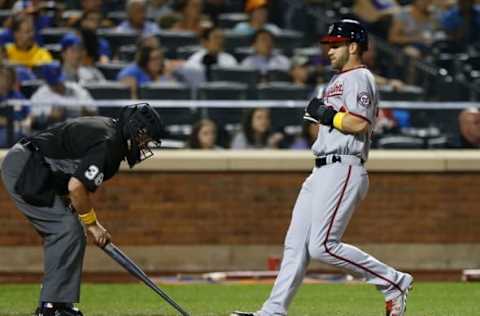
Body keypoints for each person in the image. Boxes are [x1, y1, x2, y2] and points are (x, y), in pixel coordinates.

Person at [231, 20, 413, 316]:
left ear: (353, 47)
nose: (329, 50)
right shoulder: (338, 79)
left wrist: (327, 114)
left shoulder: (359, 76)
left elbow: (359, 123)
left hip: (344, 167)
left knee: (322, 246)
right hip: (322, 169)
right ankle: (273, 311)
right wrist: (325, 116)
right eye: (329, 44)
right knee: (296, 245)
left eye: (336, 44)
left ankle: (393, 281)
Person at [0, 103, 164, 316]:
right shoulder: (110, 143)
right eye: (146, 137)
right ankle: (53, 307)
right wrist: (93, 225)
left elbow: (66, 163)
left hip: (37, 167)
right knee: (67, 230)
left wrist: (78, 210)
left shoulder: (111, 133)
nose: (146, 144)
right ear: (135, 128)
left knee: (69, 230)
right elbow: (76, 187)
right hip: (27, 168)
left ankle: (58, 304)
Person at [30, 62, 96, 131]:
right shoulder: (40, 95)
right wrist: (50, 117)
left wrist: (84, 112)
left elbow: (94, 111)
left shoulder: (76, 89)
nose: (58, 86)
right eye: (54, 84)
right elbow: (33, 119)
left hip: (79, 130)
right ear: (47, 82)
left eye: (59, 82)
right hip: (52, 133)